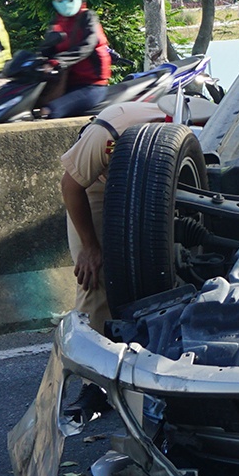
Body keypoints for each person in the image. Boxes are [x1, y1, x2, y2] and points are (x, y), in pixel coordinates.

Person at [58, 96, 213, 330]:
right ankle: (93, 344)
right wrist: (90, 247)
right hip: (99, 182)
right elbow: (70, 186)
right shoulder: (107, 133)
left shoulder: (206, 128)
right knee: (95, 275)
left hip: (156, 184)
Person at [38, 0, 112, 119]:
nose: (64, 1)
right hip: (66, 84)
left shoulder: (88, 18)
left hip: (92, 86)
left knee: (49, 111)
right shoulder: (57, 23)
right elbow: (47, 48)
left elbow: (87, 45)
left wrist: (57, 61)